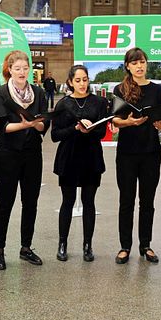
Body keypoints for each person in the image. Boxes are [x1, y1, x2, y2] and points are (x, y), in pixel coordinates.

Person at [0, 50, 49, 270]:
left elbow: (44, 124)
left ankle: (26, 247)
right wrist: (26, 124)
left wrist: (37, 124)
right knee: (5, 202)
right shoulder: (1, 93)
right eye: (17, 68)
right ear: (9, 70)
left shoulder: (39, 92)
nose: (22, 72)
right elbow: (1, 126)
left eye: (26, 68)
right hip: (7, 153)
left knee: (30, 202)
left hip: (32, 154)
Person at [112, 47, 161, 264]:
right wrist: (128, 122)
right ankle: (125, 246)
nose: (139, 66)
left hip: (151, 152)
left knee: (148, 201)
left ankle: (146, 245)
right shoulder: (120, 89)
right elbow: (114, 120)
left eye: (142, 62)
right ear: (128, 66)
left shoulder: (157, 90)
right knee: (126, 200)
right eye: (134, 63)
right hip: (126, 152)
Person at [50, 65, 109, 262]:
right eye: (78, 80)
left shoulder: (99, 102)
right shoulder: (63, 104)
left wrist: (90, 130)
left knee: (89, 202)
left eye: (85, 79)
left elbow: (102, 132)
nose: (82, 84)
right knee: (67, 201)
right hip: (69, 156)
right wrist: (75, 129)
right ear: (70, 82)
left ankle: (87, 245)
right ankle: (62, 244)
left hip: (91, 156)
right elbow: (55, 135)